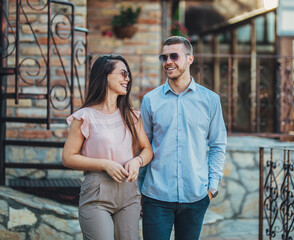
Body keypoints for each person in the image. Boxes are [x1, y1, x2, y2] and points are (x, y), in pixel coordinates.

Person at [140, 36, 227, 240]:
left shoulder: (211, 100)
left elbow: (218, 145)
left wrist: (211, 188)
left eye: (174, 56)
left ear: (190, 59)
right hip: (156, 196)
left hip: (195, 197)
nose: (168, 61)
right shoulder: (150, 101)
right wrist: (139, 190)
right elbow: (143, 147)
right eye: (164, 57)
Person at [62, 55, 153, 240]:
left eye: (128, 74)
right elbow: (68, 157)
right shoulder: (84, 117)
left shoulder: (132, 115)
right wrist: (105, 164)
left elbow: (147, 150)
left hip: (129, 192)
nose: (127, 78)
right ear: (105, 75)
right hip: (96, 192)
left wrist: (137, 161)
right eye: (123, 73)